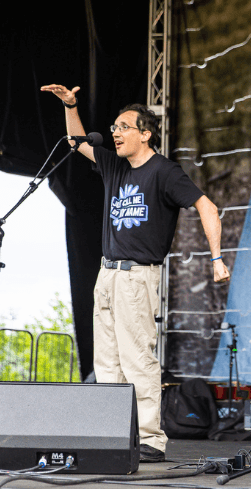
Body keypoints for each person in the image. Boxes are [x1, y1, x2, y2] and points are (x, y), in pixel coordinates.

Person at [41, 84, 230, 462]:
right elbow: (77, 142)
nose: (115, 132)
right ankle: (113, 434)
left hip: (137, 276)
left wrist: (216, 258)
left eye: (124, 126)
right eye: (113, 127)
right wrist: (71, 105)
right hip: (106, 274)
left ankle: (150, 439)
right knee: (106, 361)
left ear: (145, 133)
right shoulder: (113, 165)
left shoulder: (164, 172)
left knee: (136, 358)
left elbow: (208, 207)